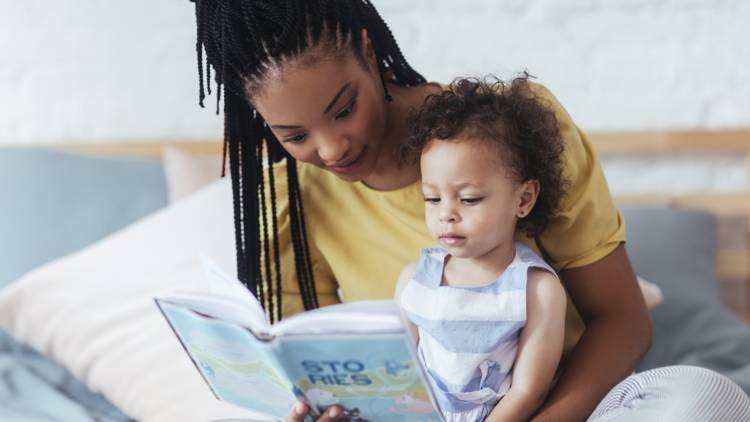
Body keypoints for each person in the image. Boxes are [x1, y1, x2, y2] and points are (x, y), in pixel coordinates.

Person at [189, 1, 750, 421]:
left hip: (577, 410)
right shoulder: (290, 205)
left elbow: (623, 321)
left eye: (344, 108)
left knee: (704, 399)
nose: (332, 149)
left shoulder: (510, 133)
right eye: (294, 134)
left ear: (367, 51)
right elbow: (332, 382)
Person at [394, 76, 568, 422]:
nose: (446, 214)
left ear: (524, 198)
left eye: (469, 198)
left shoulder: (536, 289)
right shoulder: (416, 279)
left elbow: (527, 391)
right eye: (432, 198)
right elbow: (402, 375)